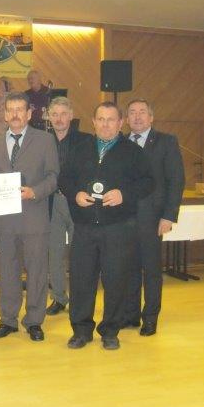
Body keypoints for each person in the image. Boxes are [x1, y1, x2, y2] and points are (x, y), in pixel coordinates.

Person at [58, 101, 153, 350]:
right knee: (81, 280)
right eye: (101, 119)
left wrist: (125, 194)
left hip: (118, 228)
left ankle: (110, 331)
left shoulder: (133, 152)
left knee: (116, 280)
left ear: (121, 123)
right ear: (93, 122)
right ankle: (81, 331)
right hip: (85, 227)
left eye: (111, 119)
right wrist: (75, 194)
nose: (105, 124)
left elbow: (148, 182)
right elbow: (64, 179)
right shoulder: (79, 149)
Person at [0, 92, 59, 341]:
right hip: (5, 219)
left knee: (37, 271)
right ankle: (8, 320)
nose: (15, 114)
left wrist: (34, 192)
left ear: (28, 114)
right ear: (5, 114)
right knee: (7, 271)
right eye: (10, 110)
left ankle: (34, 321)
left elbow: (53, 177)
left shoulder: (45, 140)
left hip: (34, 217)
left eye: (19, 109)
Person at [123, 99, 185, 336]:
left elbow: (176, 180)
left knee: (151, 270)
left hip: (152, 218)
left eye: (142, 112)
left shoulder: (166, 142)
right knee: (128, 269)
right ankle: (130, 315)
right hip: (123, 218)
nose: (137, 116)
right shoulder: (120, 143)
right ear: (126, 119)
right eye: (132, 112)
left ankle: (150, 317)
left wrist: (168, 216)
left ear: (151, 117)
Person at [45, 97, 91, 316]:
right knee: (53, 253)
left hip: (77, 203)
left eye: (63, 114)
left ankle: (79, 299)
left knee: (79, 254)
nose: (59, 119)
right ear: (48, 117)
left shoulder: (86, 141)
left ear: (71, 115)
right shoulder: (42, 141)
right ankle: (58, 298)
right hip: (51, 203)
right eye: (54, 114)